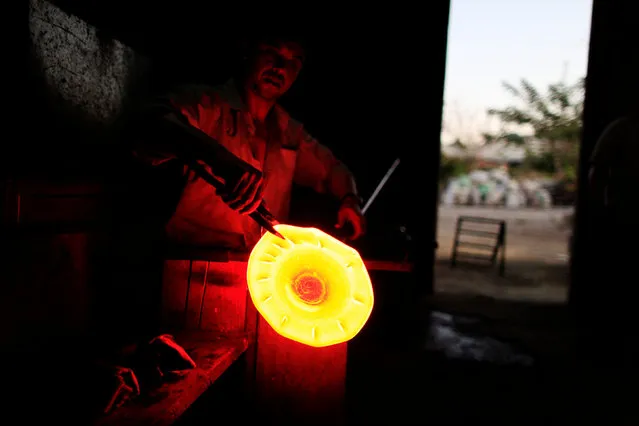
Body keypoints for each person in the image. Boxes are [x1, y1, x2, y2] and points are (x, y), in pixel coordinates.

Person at [130, 36, 365, 248]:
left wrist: (350, 200)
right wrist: (219, 159)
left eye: (294, 59)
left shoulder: (289, 132)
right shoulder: (207, 105)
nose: (280, 67)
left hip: (258, 277)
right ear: (247, 49)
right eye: (271, 51)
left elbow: (331, 169)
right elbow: (149, 123)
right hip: (191, 267)